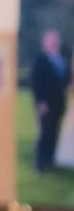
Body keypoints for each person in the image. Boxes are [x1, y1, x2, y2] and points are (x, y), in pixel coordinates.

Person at [33, 31, 71, 173]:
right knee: (44, 132)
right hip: (45, 104)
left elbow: (65, 80)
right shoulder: (41, 60)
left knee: (54, 132)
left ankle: (49, 160)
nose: (54, 43)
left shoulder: (62, 59)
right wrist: (40, 102)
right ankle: (39, 164)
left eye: (56, 40)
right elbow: (36, 82)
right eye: (51, 40)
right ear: (45, 42)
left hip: (59, 103)